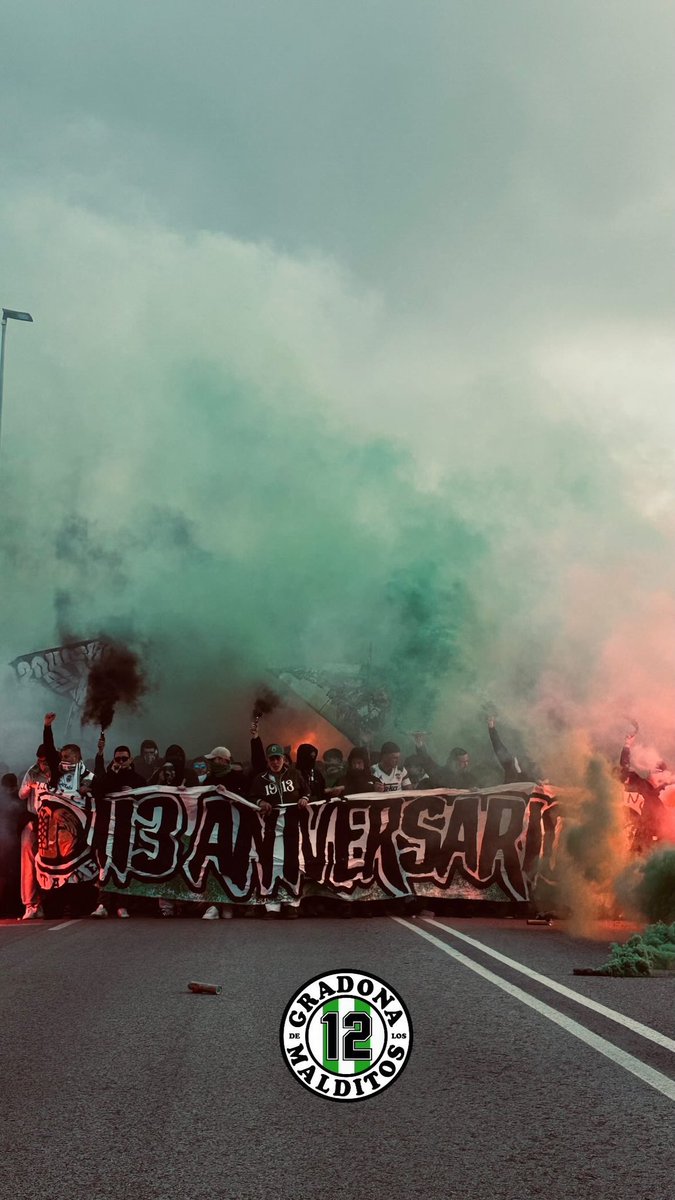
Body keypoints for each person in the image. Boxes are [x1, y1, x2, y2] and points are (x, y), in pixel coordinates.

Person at [248, 743, 310, 917]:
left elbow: (307, 791)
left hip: (292, 824)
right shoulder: (260, 779)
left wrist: (304, 799)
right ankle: (272, 905)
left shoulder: (295, 774)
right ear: (267, 760)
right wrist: (261, 802)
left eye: (278, 758)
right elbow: (252, 796)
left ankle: (292, 903)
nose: (275, 762)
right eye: (272, 759)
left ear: (284, 759)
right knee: (272, 862)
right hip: (271, 827)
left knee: (293, 862)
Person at [90, 737, 146, 919]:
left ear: (130, 759)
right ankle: (102, 904)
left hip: (128, 829)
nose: (121, 762)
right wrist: (112, 772)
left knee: (124, 865)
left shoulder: (138, 779)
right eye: (117, 759)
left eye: (124, 759)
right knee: (105, 865)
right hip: (107, 828)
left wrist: (132, 792)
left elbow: (147, 800)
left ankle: (122, 905)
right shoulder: (108, 776)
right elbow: (98, 790)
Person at [18, 745, 53, 919]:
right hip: (34, 818)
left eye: (45, 761)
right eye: (40, 761)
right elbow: (21, 795)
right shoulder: (32, 771)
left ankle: (49, 904)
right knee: (28, 861)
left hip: (53, 822)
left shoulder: (58, 772)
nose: (42, 765)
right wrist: (30, 784)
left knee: (50, 864)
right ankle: (30, 904)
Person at [0, 774, 23, 918]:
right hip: (6, 842)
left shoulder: (21, 798)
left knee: (15, 875)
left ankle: (15, 907)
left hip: (16, 841)